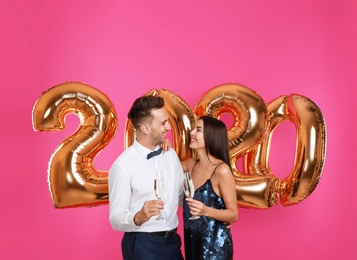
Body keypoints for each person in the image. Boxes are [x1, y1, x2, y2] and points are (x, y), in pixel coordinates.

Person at [108, 95, 184, 260]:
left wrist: (213, 214)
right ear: (146, 128)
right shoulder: (122, 166)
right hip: (143, 244)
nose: (169, 127)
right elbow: (116, 218)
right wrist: (139, 216)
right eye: (163, 123)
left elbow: (180, 196)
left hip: (173, 242)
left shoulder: (170, 154)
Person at [181, 115, 239, 259]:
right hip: (192, 243)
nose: (192, 133)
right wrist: (165, 146)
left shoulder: (221, 170)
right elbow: (165, 165)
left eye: (198, 130)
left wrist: (205, 210)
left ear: (211, 136)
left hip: (215, 247)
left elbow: (233, 214)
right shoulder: (190, 164)